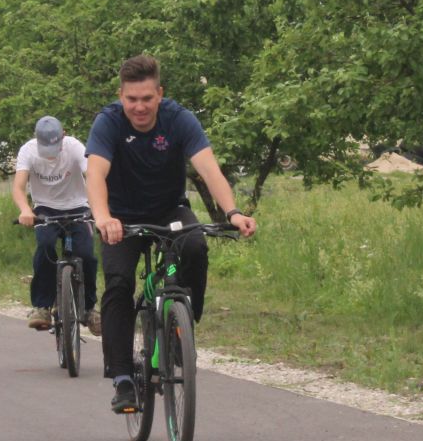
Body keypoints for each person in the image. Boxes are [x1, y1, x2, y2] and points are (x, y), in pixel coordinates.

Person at [87, 55, 258, 414]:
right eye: (131, 99)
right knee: (118, 283)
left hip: (169, 211)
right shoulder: (108, 123)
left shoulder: (179, 120)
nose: (139, 107)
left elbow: (209, 170)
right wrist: (103, 217)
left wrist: (234, 212)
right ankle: (121, 379)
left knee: (195, 246)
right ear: (121, 96)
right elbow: (96, 175)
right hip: (120, 217)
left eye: (147, 98)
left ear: (160, 94)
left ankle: (183, 327)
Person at [14, 115, 100, 335]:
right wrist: (25, 210)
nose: (51, 153)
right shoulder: (28, 151)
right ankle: (42, 306)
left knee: (86, 255)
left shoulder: (74, 147)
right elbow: (18, 187)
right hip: (45, 209)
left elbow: (91, 175)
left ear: (63, 137)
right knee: (45, 247)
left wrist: (99, 209)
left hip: (78, 207)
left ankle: (90, 308)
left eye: (54, 146)